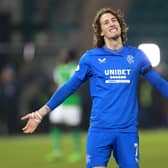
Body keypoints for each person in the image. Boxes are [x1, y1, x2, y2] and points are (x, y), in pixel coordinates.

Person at [21, 8, 168, 168]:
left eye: (114, 20)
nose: (111, 23)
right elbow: (69, 87)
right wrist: (41, 113)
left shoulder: (137, 56)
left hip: (127, 132)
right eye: (106, 22)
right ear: (101, 32)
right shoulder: (91, 58)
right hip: (99, 131)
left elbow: (160, 83)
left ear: (120, 25)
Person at [46, 49, 82, 162]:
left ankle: (59, 151)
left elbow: (57, 85)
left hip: (61, 103)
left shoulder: (59, 69)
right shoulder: (77, 68)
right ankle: (75, 152)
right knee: (73, 127)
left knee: (55, 125)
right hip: (71, 103)